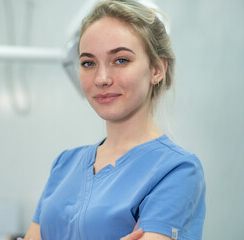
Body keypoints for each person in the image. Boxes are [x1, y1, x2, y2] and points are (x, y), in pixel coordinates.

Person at [20, 0, 206, 239]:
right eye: (88, 63)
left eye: (121, 60)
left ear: (157, 69)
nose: (101, 78)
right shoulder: (64, 165)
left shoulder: (177, 171)